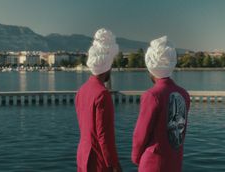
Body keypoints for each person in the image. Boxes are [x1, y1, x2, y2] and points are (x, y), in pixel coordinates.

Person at [131, 36, 191, 172]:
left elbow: (140, 134)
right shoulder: (184, 94)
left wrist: (135, 157)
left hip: (153, 163)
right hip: (175, 162)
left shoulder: (152, 95)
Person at [75, 28, 121, 172]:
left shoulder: (81, 91)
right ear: (108, 66)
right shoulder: (102, 94)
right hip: (98, 161)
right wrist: (114, 164)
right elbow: (104, 135)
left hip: (82, 156)